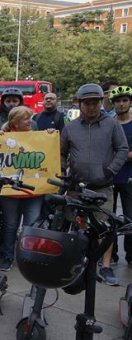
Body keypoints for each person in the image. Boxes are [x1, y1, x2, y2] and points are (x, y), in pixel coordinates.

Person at [61, 83, 128, 286]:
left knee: (105, 229)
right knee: (76, 228)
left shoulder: (112, 125)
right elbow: (61, 152)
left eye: (95, 103)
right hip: (76, 189)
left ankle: (105, 267)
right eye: (87, 103)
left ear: (101, 102)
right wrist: (64, 169)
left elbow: (122, 149)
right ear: (80, 104)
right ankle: (77, 264)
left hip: (102, 187)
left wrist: (110, 170)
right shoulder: (70, 128)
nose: (91, 107)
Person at [0, 106, 50, 271]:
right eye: (26, 118)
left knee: (30, 226)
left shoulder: (38, 137)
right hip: (10, 193)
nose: (31, 121)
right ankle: (8, 256)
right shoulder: (2, 137)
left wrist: (50, 136)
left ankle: (27, 258)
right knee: (11, 225)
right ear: (15, 123)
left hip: (33, 192)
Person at [109, 86, 132, 265]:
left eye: (125, 100)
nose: (121, 104)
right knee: (108, 217)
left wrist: (122, 155)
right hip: (110, 176)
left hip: (129, 177)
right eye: (118, 101)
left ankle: (131, 255)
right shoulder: (110, 123)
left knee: (130, 217)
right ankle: (111, 254)